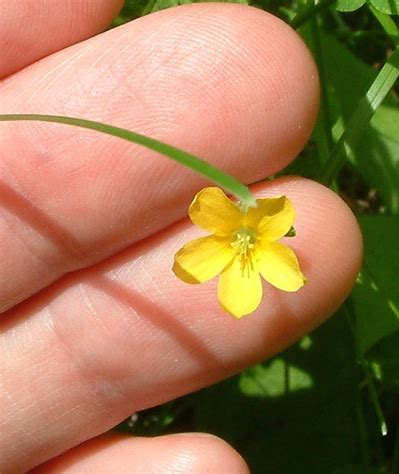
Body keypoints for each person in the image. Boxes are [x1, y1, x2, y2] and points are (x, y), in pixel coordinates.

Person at [0, 1, 362, 472]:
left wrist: (252, 234)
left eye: (248, 240)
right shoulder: (225, 217)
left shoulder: (264, 222)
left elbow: (278, 257)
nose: (245, 244)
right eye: (244, 239)